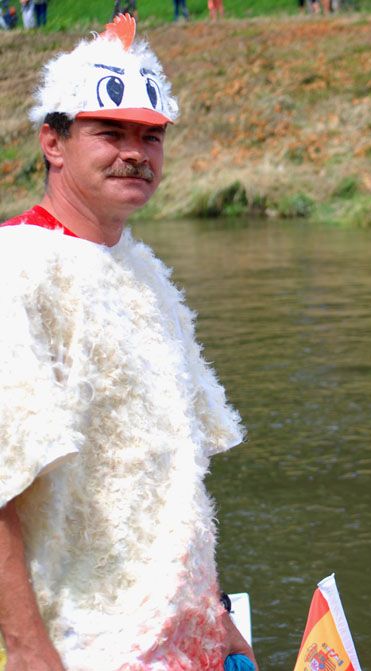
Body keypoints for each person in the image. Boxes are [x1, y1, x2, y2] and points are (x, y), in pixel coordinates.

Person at [0, 15, 255, 670]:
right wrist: (29, 650)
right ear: (53, 142)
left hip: (179, 639)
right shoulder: (15, 271)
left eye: (151, 136)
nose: (135, 152)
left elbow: (175, 473)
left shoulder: (145, 273)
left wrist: (217, 614)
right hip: (79, 645)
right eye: (109, 132)